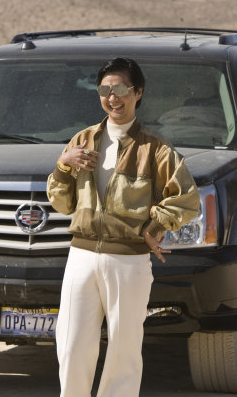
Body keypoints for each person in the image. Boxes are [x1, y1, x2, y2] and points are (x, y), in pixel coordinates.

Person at [47, 57, 200, 396]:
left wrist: (155, 226)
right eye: (105, 90)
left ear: (138, 92)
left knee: (124, 349)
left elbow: (187, 198)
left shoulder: (155, 148)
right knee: (71, 346)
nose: (112, 98)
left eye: (120, 89)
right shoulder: (83, 140)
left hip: (129, 261)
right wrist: (63, 165)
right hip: (81, 257)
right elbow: (62, 203)